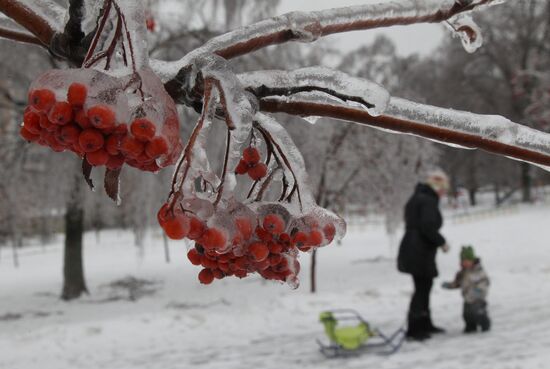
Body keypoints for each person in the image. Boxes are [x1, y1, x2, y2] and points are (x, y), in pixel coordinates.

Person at [397, 169, 450, 341]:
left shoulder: (419, 196)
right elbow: (427, 226)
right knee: (422, 289)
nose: (444, 193)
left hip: (415, 247)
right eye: (443, 189)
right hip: (419, 250)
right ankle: (415, 328)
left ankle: (425, 323)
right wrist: (442, 242)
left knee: (423, 287)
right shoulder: (427, 200)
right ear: (437, 186)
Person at [442, 245, 491, 333]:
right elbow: (457, 283)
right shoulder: (462, 273)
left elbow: (484, 282)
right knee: (467, 315)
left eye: (466, 261)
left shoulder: (478, 271)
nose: (464, 263)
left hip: (478, 299)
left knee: (478, 313)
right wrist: (449, 285)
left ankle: (485, 324)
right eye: (462, 261)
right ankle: (470, 327)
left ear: (472, 260)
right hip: (467, 298)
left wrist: (478, 291)